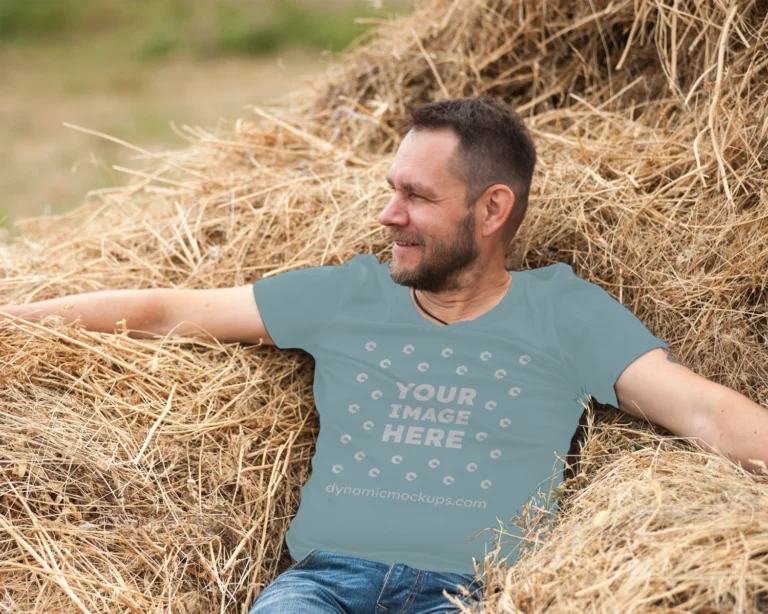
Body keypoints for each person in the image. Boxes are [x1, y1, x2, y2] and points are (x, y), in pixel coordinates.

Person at [2, 97, 766, 614]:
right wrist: (16, 320)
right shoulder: (347, 296)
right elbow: (168, 312)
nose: (387, 214)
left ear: (492, 209)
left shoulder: (565, 313)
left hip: (469, 593)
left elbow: (699, 406)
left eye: (417, 198)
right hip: (324, 586)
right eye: (390, 189)